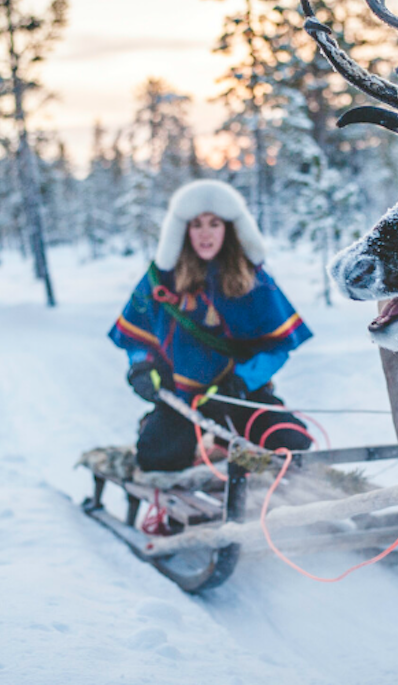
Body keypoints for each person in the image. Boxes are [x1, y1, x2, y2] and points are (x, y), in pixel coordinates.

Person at [109, 180, 314, 472]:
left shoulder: (256, 281)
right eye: (196, 225)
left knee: (291, 443)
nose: (205, 233)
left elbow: (278, 346)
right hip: (181, 398)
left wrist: (243, 382)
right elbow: (136, 340)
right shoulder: (159, 279)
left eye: (214, 224)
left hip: (242, 396)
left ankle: (220, 446)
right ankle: (169, 432)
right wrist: (141, 367)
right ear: (183, 230)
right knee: (158, 458)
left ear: (228, 229)